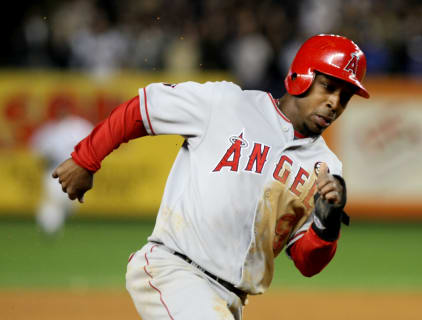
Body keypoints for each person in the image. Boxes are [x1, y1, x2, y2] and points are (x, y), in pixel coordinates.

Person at [52, 34, 369, 319]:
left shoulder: (326, 168)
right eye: (329, 87)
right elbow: (143, 110)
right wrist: (86, 159)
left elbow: (306, 261)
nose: (335, 103)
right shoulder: (227, 104)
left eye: (345, 96)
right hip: (176, 270)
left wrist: (326, 226)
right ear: (302, 76)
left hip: (229, 300)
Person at [30, 98, 93, 235]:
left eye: (64, 109)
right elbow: (39, 152)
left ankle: (46, 220)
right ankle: (48, 228)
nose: (62, 112)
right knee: (54, 201)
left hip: (76, 171)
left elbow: (93, 146)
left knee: (69, 206)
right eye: (59, 110)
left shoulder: (80, 126)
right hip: (55, 170)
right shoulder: (49, 130)